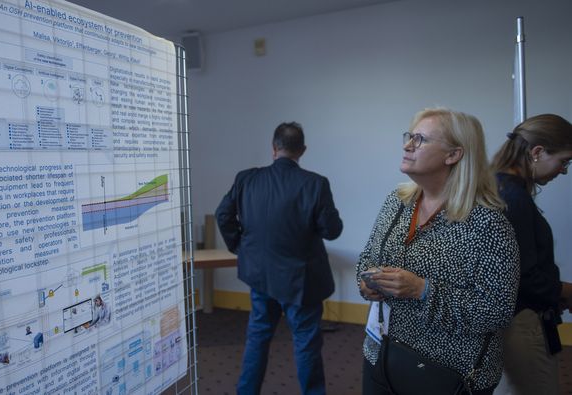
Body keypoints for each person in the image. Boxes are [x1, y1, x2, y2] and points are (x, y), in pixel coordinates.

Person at [357, 108, 520, 394]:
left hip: (447, 372)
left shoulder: (488, 223)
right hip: (381, 354)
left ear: (453, 155)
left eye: (419, 139)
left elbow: (497, 310)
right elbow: (368, 256)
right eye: (409, 136)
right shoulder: (397, 202)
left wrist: (421, 290)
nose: (407, 145)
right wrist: (366, 282)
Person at [215, 121, 343, 395]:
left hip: (260, 275)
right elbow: (332, 231)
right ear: (302, 150)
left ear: (274, 148)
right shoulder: (315, 184)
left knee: (257, 338)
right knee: (306, 343)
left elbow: (223, 216)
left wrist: (240, 247)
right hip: (302, 282)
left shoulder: (246, 178)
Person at [491, 114, 572, 395]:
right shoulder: (514, 198)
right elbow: (522, 276)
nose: (564, 170)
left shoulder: (496, 186)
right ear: (537, 152)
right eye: (564, 161)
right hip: (521, 321)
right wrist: (564, 290)